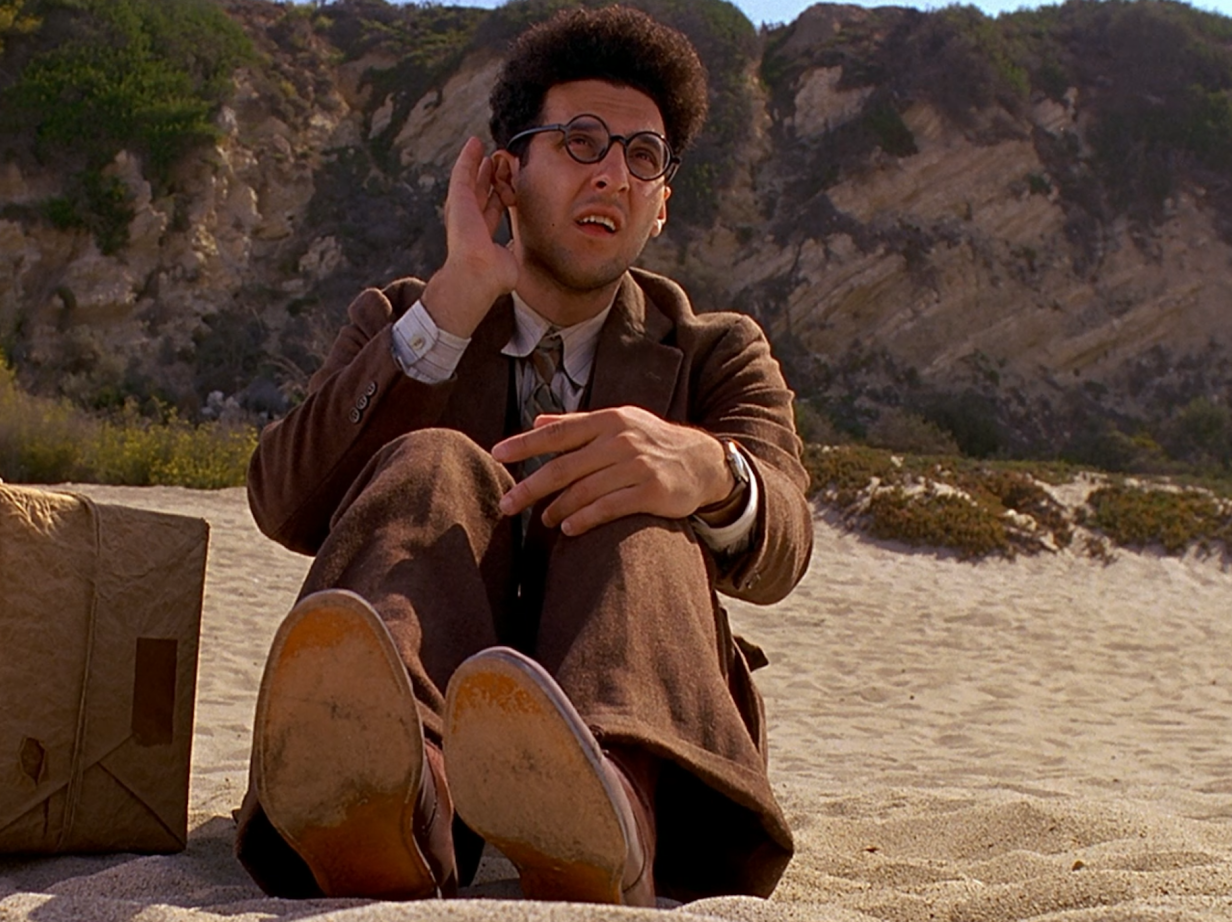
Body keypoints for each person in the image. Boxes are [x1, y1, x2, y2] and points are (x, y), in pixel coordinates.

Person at [232, 5, 813, 907]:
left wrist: (703, 470)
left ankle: (606, 813)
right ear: (508, 171)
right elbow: (283, 500)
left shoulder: (716, 351)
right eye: (582, 142)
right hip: (438, 704)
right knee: (435, 463)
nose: (613, 174)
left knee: (631, 495)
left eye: (644, 157)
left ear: (662, 206)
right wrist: (457, 300)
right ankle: (392, 801)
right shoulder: (406, 320)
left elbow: (786, 541)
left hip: (652, 737)